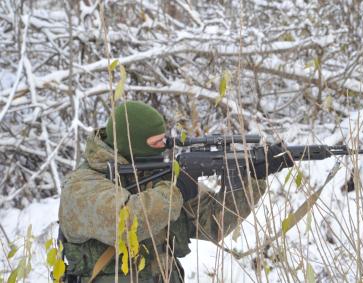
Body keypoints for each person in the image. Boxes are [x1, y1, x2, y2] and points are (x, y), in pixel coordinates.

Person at [59, 101, 293, 283]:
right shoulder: (81, 186)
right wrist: (176, 190)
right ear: (132, 143)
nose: (164, 148)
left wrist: (253, 178)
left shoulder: (159, 180)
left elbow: (214, 225)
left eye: (165, 141)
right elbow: (127, 222)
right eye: (156, 143)